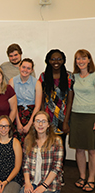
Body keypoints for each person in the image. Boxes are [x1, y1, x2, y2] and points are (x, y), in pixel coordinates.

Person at [39, 49, 74, 186]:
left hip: (62, 118)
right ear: (48, 60)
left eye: (59, 59)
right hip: (47, 117)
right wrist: (42, 118)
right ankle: (46, 172)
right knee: (46, 146)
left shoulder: (69, 76)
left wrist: (66, 121)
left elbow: (70, 100)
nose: (56, 62)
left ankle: (60, 173)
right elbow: (41, 98)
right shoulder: (43, 76)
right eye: (53, 59)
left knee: (60, 147)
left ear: (64, 60)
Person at [70, 49, 95, 192]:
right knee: (79, 149)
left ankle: (91, 178)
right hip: (76, 115)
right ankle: (82, 176)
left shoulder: (94, 76)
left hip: (91, 115)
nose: (80, 61)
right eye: (78, 59)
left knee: (92, 150)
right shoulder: (74, 77)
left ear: (89, 60)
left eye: (83, 58)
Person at [20, 111, 63, 193]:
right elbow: (25, 165)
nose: (40, 124)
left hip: (49, 185)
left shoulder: (56, 141)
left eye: (43, 121)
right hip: (32, 182)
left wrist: (43, 186)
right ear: (33, 124)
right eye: (38, 121)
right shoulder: (28, 140)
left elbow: (57, 167)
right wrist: (27, 183)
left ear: (48, 124)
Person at [9, 58, 42, 144]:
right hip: (16, 113)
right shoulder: (12, 81)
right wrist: (18, 122)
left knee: (31, 142)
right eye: (23, 67)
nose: (25, 70)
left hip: (31, 115)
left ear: (32, 70)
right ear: (19, 67)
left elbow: (38, 106)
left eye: (28, 68)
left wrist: (30, 124)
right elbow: (13, 105)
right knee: (16, 142)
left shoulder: (37, 83)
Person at [0, 115, 23, 193]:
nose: (3, 129)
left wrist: (6, 181)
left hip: (12, 179)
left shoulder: (16, 143)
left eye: (6, 126)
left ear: (10, 127)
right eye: (1, 126)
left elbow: (17, 167)